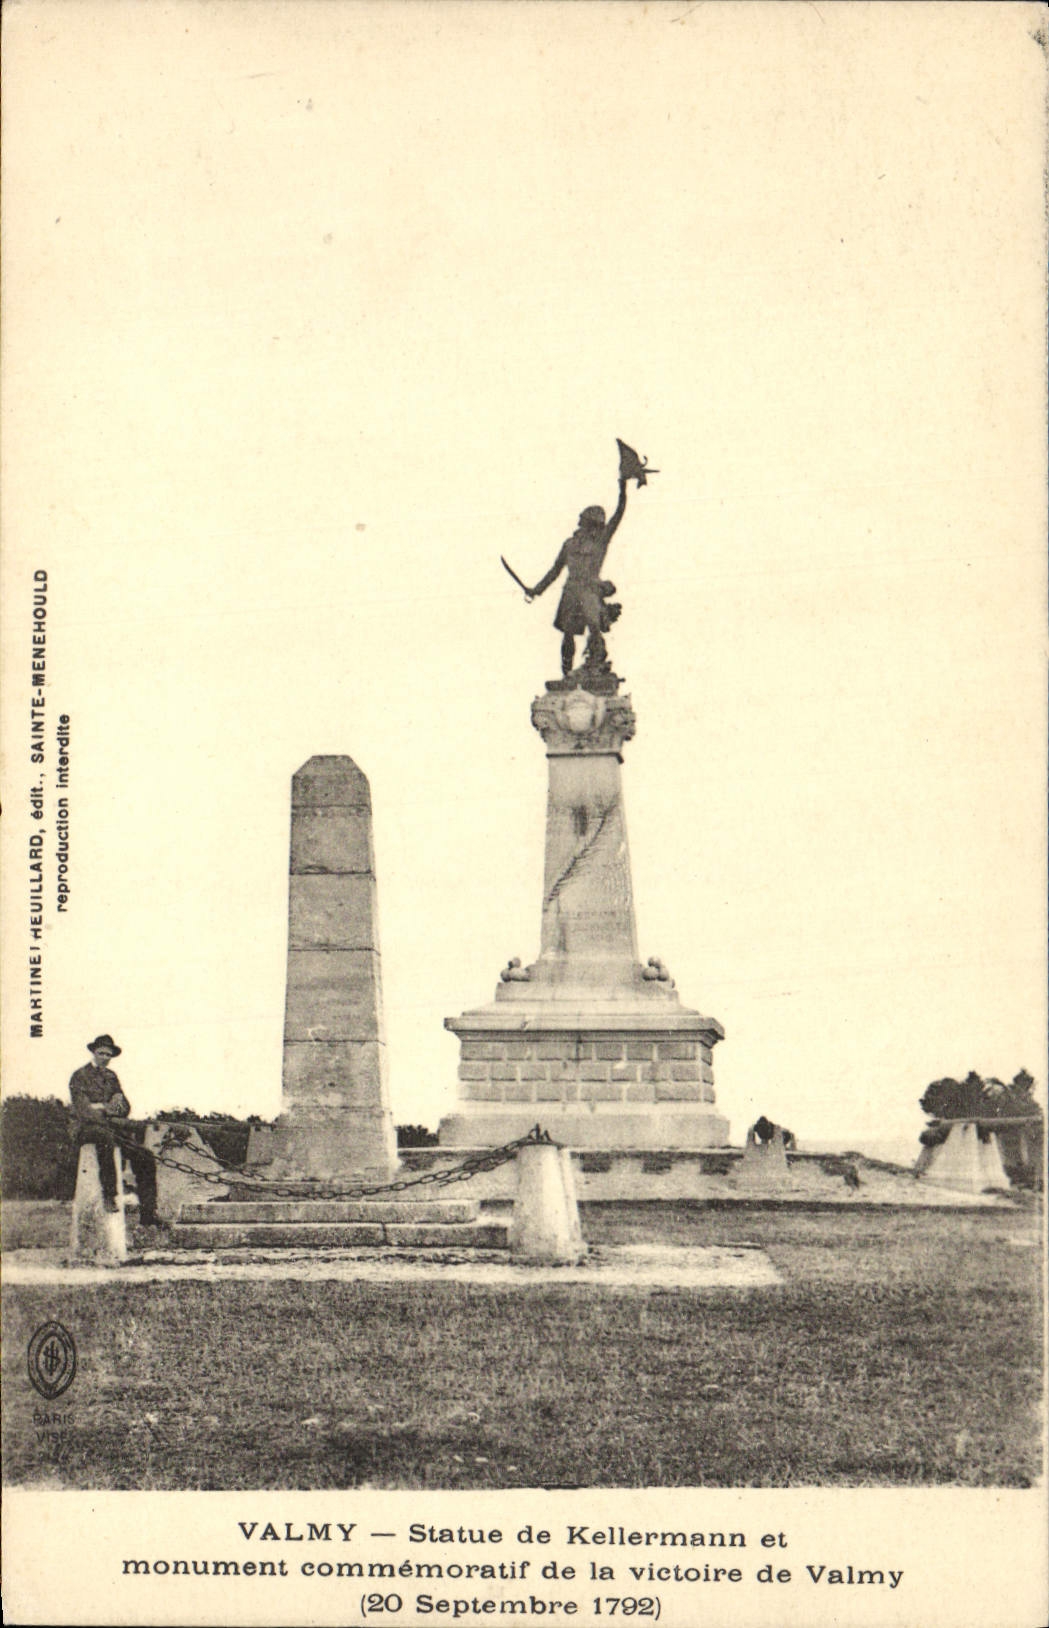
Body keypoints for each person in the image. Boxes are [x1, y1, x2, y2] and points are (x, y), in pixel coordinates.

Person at [528, 477, 629, 677]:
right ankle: (566, 673)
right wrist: (536, 590)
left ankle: (596, 664)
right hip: (571, 590)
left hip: (590, 589)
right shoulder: (569, 544)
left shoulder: (600, 542)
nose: (594, 528)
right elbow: (555, 571)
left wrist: (623, 489)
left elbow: (618, 515)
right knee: (568, 634)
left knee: (594, 626)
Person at [68, 1034, 159, 1227]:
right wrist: (106, 1109)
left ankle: (149, 1214)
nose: (105, 1057)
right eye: (101, 1053)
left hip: (110, 1127)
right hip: (85, 1128)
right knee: (105, 1139)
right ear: (93, 1052)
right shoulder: (80, 1076)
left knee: (145, 1156)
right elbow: (83, 1110)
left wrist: (108, 1107)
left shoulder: (111, 1077)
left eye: (108, 1054)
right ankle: (110, 1195)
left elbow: (124, 1107)